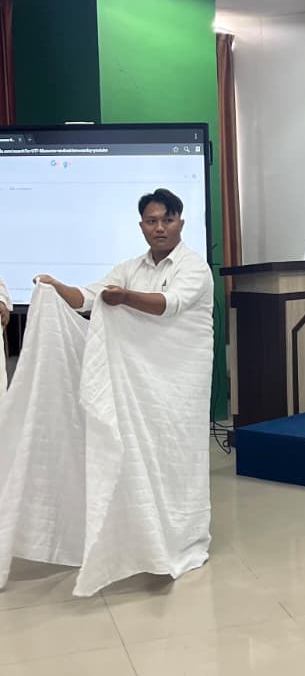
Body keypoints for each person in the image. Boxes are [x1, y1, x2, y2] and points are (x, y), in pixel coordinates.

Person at [33, 187, 215, 595]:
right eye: (152, 221)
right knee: (137, 456)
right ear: (141, 226)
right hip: (140, 385)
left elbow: (169, 304)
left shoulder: (194, 267)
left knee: (176, 458)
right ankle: (143, 538)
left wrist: (126, 299)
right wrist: (55, 287)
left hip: (180, 383)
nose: (160, 227)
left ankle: (183, 539)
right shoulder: (129, 268)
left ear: (180, 223)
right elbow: (88, 297)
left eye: (167, 219)